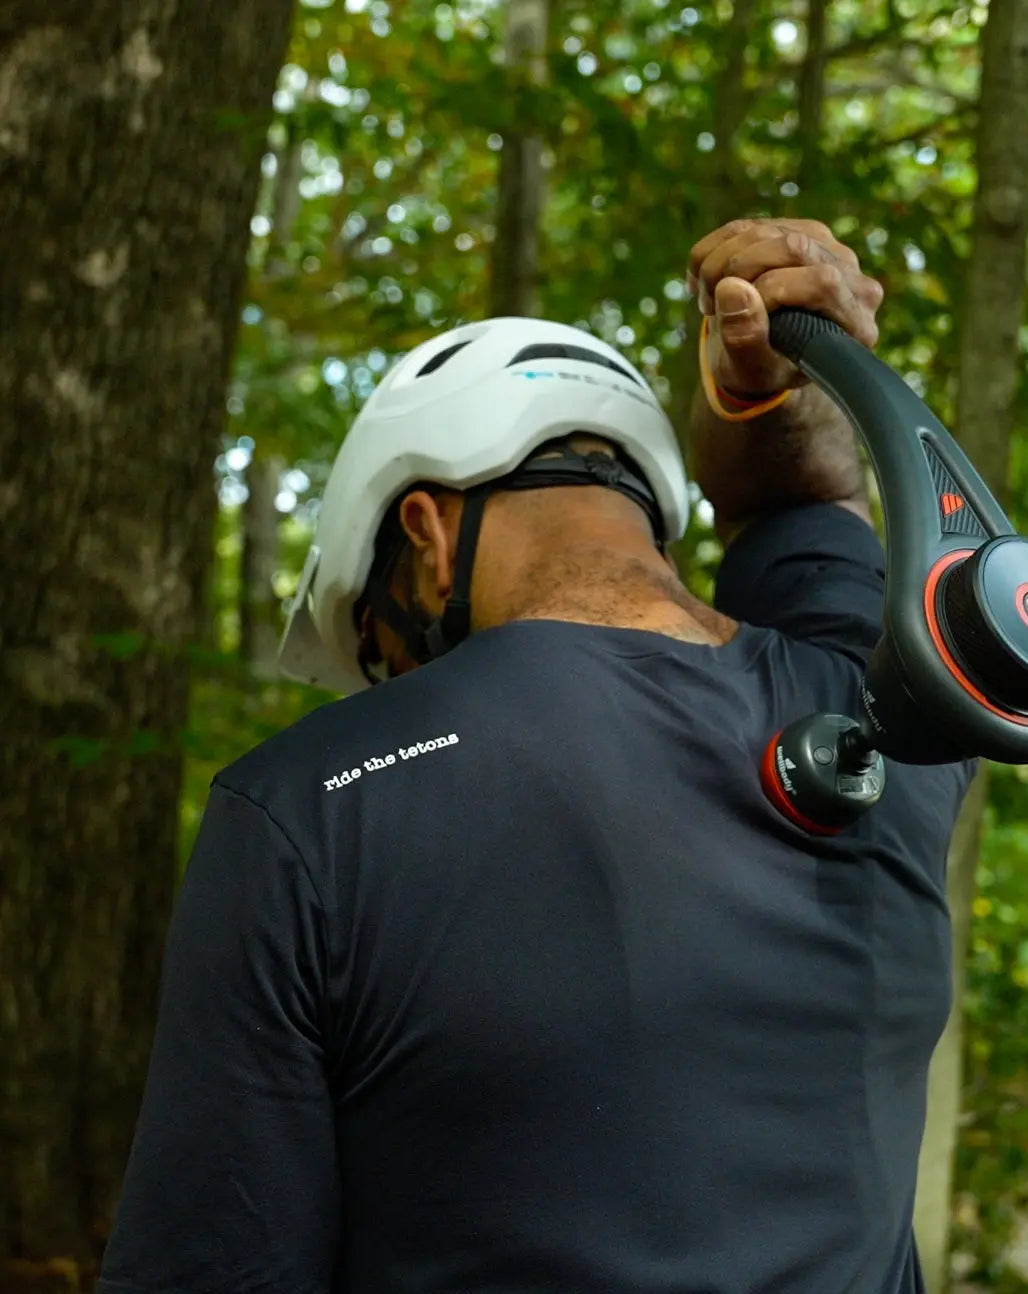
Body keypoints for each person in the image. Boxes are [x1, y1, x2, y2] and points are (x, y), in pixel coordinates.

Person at [97, 218, 974, 1294]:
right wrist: (764, 385)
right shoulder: (890, 731)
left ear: (421, 533)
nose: (396, 686)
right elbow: (810, 500)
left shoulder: (306, 810)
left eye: (380, 649)